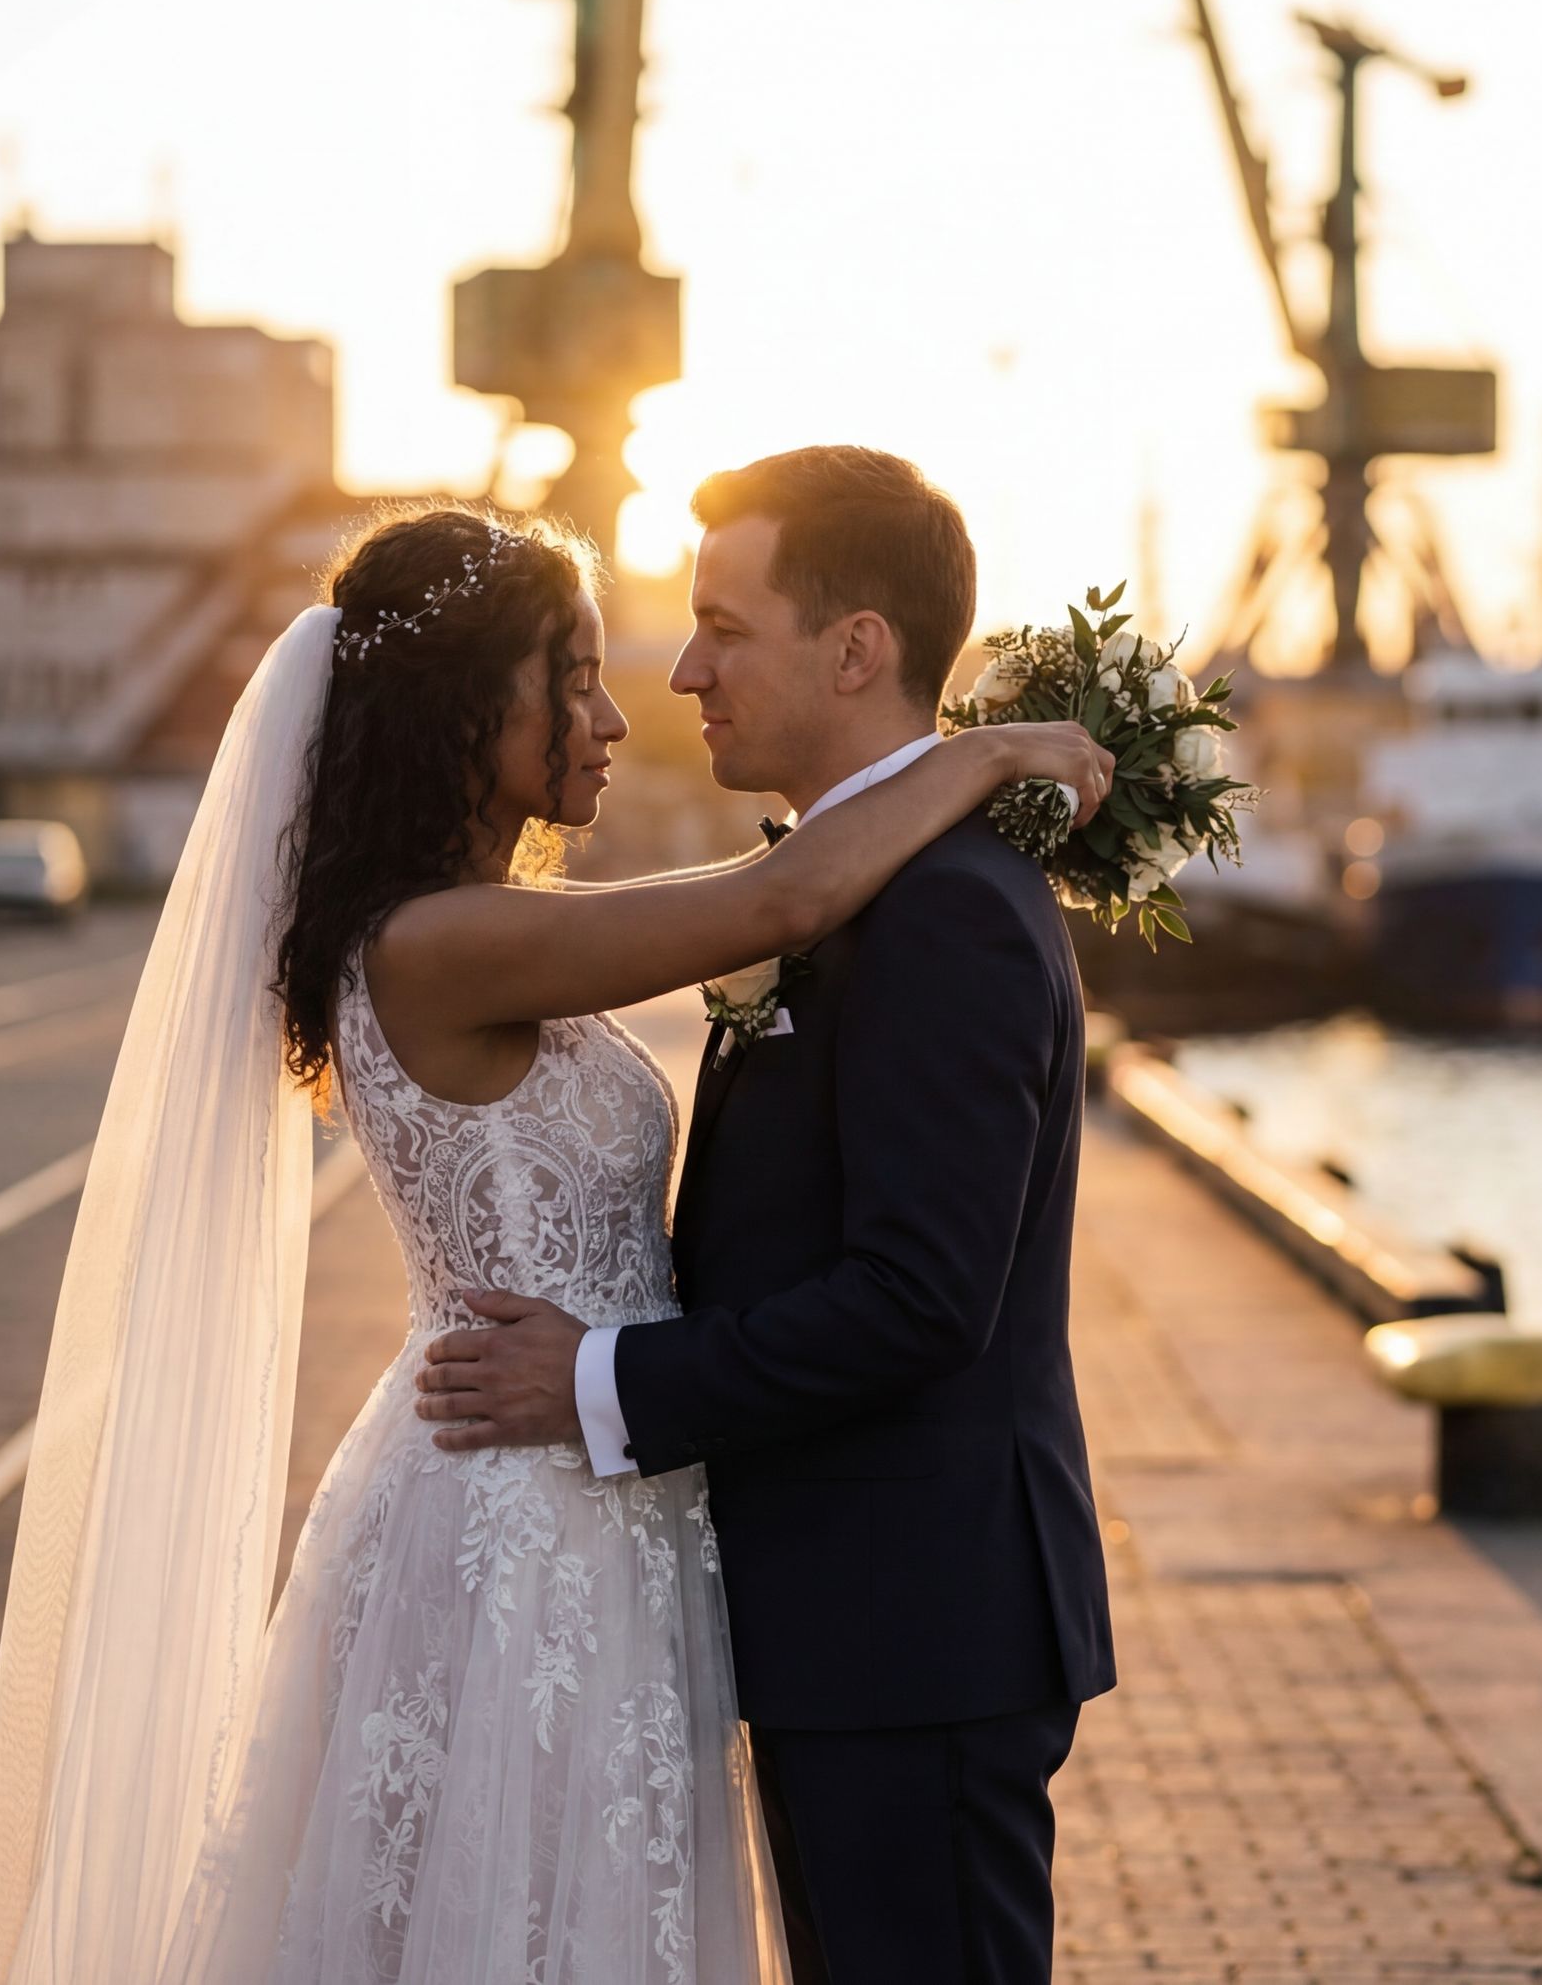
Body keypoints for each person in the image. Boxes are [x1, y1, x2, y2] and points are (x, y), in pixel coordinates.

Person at [0, 501, 1110, 1985]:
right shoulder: (437, 940)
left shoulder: (494, 924)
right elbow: (785, 897)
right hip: (522, 1512)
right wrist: (987, 751)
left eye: (691, 640)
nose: (626, 706)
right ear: (461, 705)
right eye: (569, 675)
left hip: (613, 1498)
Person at [415, 447, 1121, 1985]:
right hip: (845, 1619)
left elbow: (924, 1298)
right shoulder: (840, 883)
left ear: (854, 647)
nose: (686, 672)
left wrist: (599, 1379)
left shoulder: (941, 910)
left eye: (726, 627)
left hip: (915, 1628)